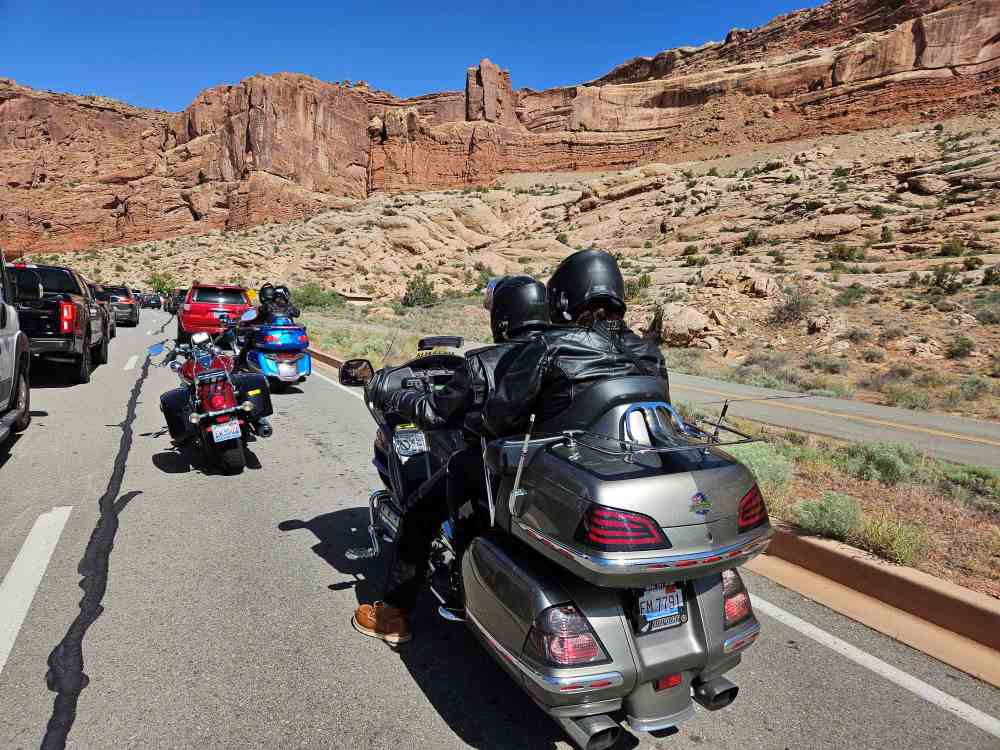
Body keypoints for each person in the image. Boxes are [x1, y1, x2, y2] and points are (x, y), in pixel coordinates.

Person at [352, 275, 549, 645]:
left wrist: (393, 395)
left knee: (419, 514)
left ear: (504, 317)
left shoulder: (484, 363)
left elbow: (432, 412)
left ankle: (394, 615)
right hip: (542, 474)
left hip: (491, 470)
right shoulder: (562, 352)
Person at [483, 248, 669, 438]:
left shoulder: (550, 347)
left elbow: (499, 418)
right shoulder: (650, 352)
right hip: (645, 458)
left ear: (563, 300)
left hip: (564, 462)